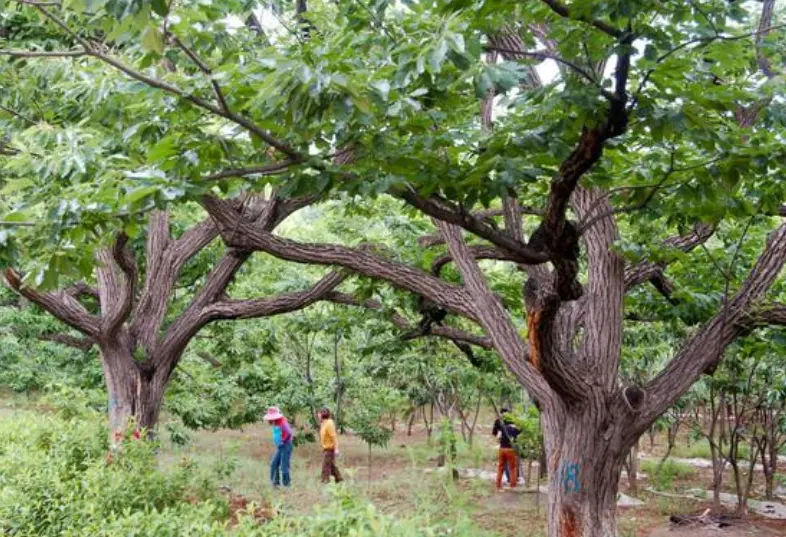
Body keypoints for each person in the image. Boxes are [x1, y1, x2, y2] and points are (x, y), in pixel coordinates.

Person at [263, 406, 293, 488]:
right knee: (274, 464)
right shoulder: (276, 422)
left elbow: (289, 433)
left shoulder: (282, 422)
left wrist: (283, 441)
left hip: (285, 446)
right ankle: (275, 483)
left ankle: (287, 485)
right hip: (280, 447)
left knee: (284, 466)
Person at [492, 407, 520, 491]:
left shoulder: (501, 426)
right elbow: (520, 431)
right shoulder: (514, 428)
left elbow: (495, 433)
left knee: (500, 467)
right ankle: (513, 485)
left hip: (502, 449)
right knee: (512, 468)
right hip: (510, 449)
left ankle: (498, 484)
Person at [319, 407, 343, 484]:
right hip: (326, 448)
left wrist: (336, 449)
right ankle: (339, 479)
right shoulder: (323, 423)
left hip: (330, 449)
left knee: (325, 467)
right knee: (331, 466)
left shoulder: (329, 423)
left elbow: (334, 437)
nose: (318, 415)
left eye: (319, 414)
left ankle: (325, 481)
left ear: (322, 414)